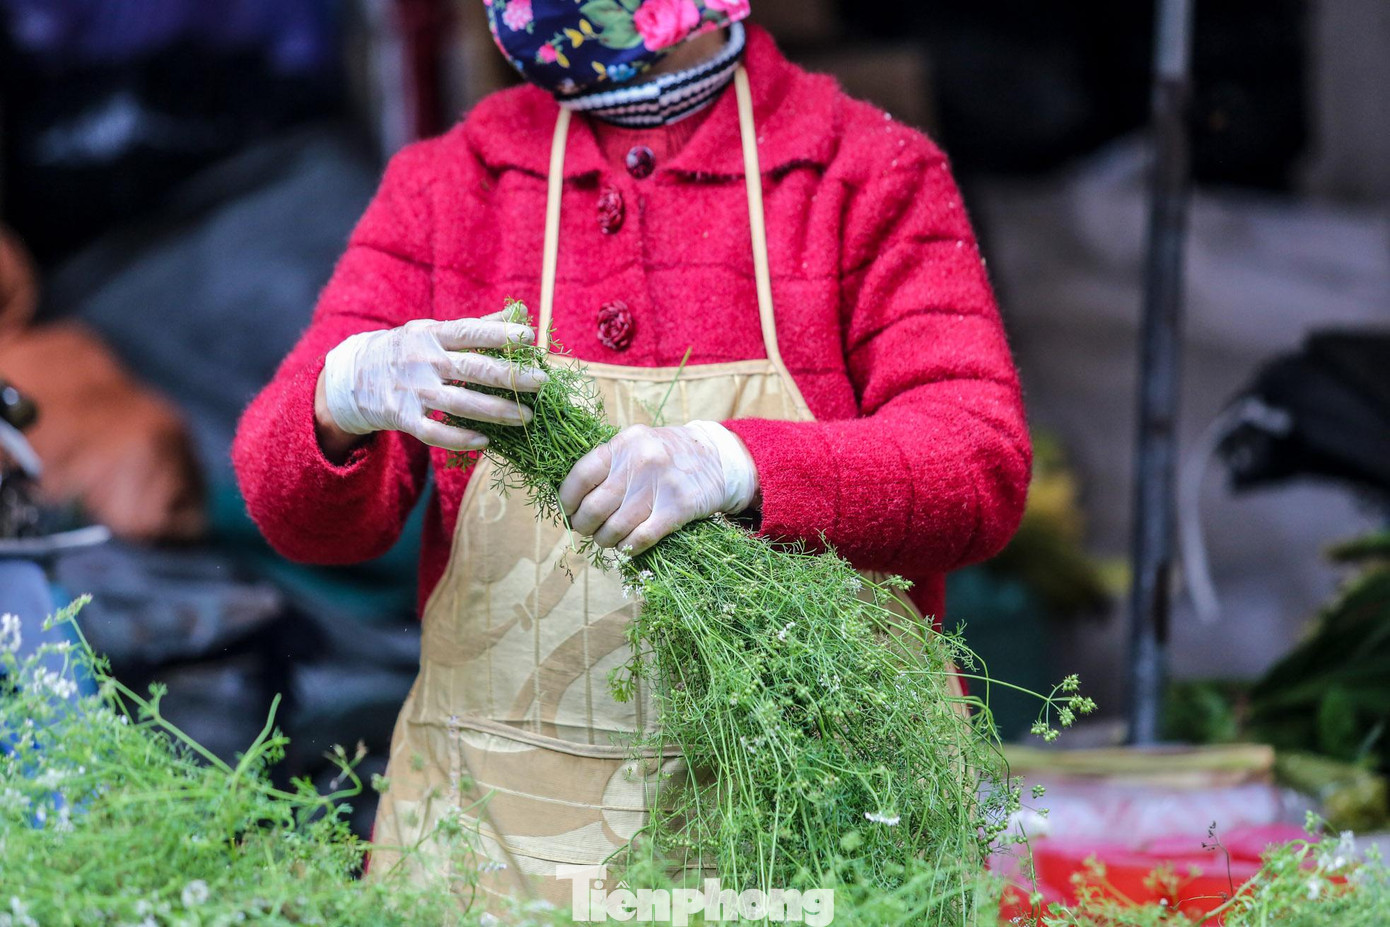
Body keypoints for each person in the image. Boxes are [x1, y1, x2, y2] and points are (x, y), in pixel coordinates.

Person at [234, 0, 1031, 909]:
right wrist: (341, 399)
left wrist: (739, 465)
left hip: (809, 831)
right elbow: (302, 518)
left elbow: (979, 463)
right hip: (494, 848)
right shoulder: (450, 187)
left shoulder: (864, 172)